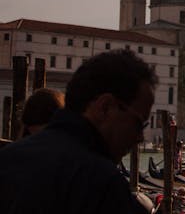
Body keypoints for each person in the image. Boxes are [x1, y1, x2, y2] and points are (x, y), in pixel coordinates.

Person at [0, 48, 157, 214]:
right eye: (138, 123)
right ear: (105, 107)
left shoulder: (6, 158)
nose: (140, 137)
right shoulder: (101, 184)